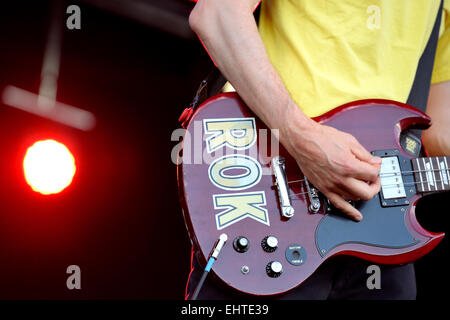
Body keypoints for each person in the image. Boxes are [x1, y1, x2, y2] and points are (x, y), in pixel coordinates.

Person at [185, 0, 450, 299]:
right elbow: (217, 14)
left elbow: (440, 131)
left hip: (379, 228)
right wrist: (302, 138)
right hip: (270, 194)